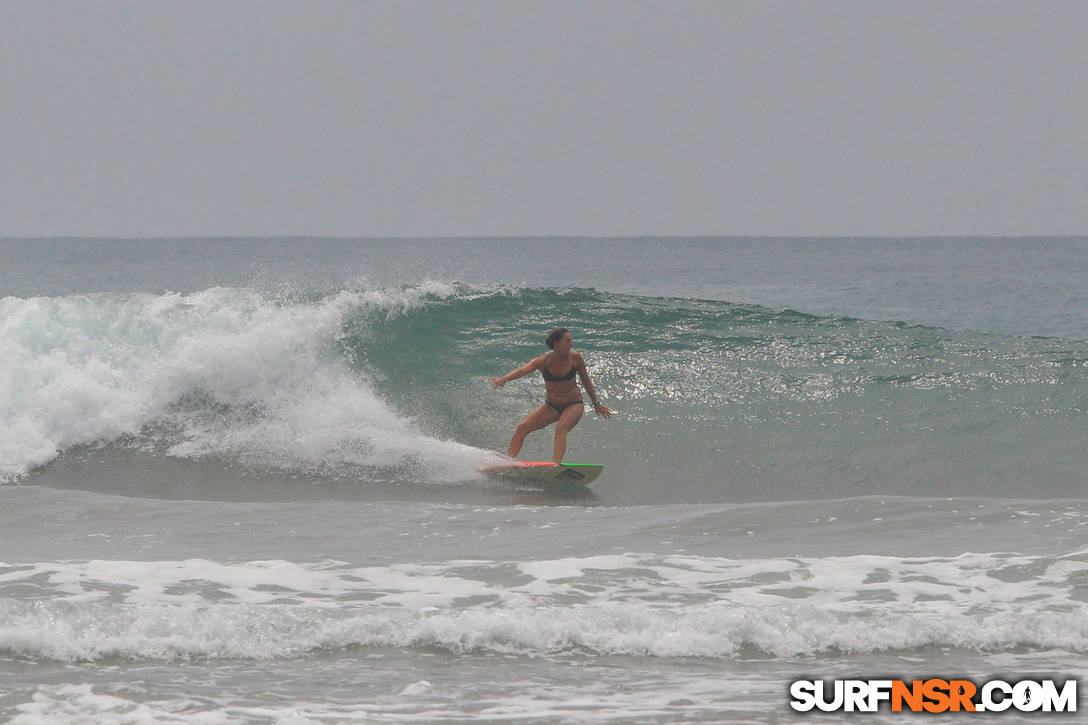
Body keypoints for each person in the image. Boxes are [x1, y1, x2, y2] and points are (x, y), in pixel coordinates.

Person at [490, 327, 613, 463]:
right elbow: (522, 370)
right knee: (522, 428)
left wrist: (596, 404)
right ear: (556, 344)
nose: (571, 344)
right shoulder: (542, 362)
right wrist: (504, 380)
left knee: (561, 429)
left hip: (573, 404)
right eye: (568, 341)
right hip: (551, 406)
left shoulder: (575, 358)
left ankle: (554, 465)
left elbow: (586, 381)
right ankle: (508, 462)